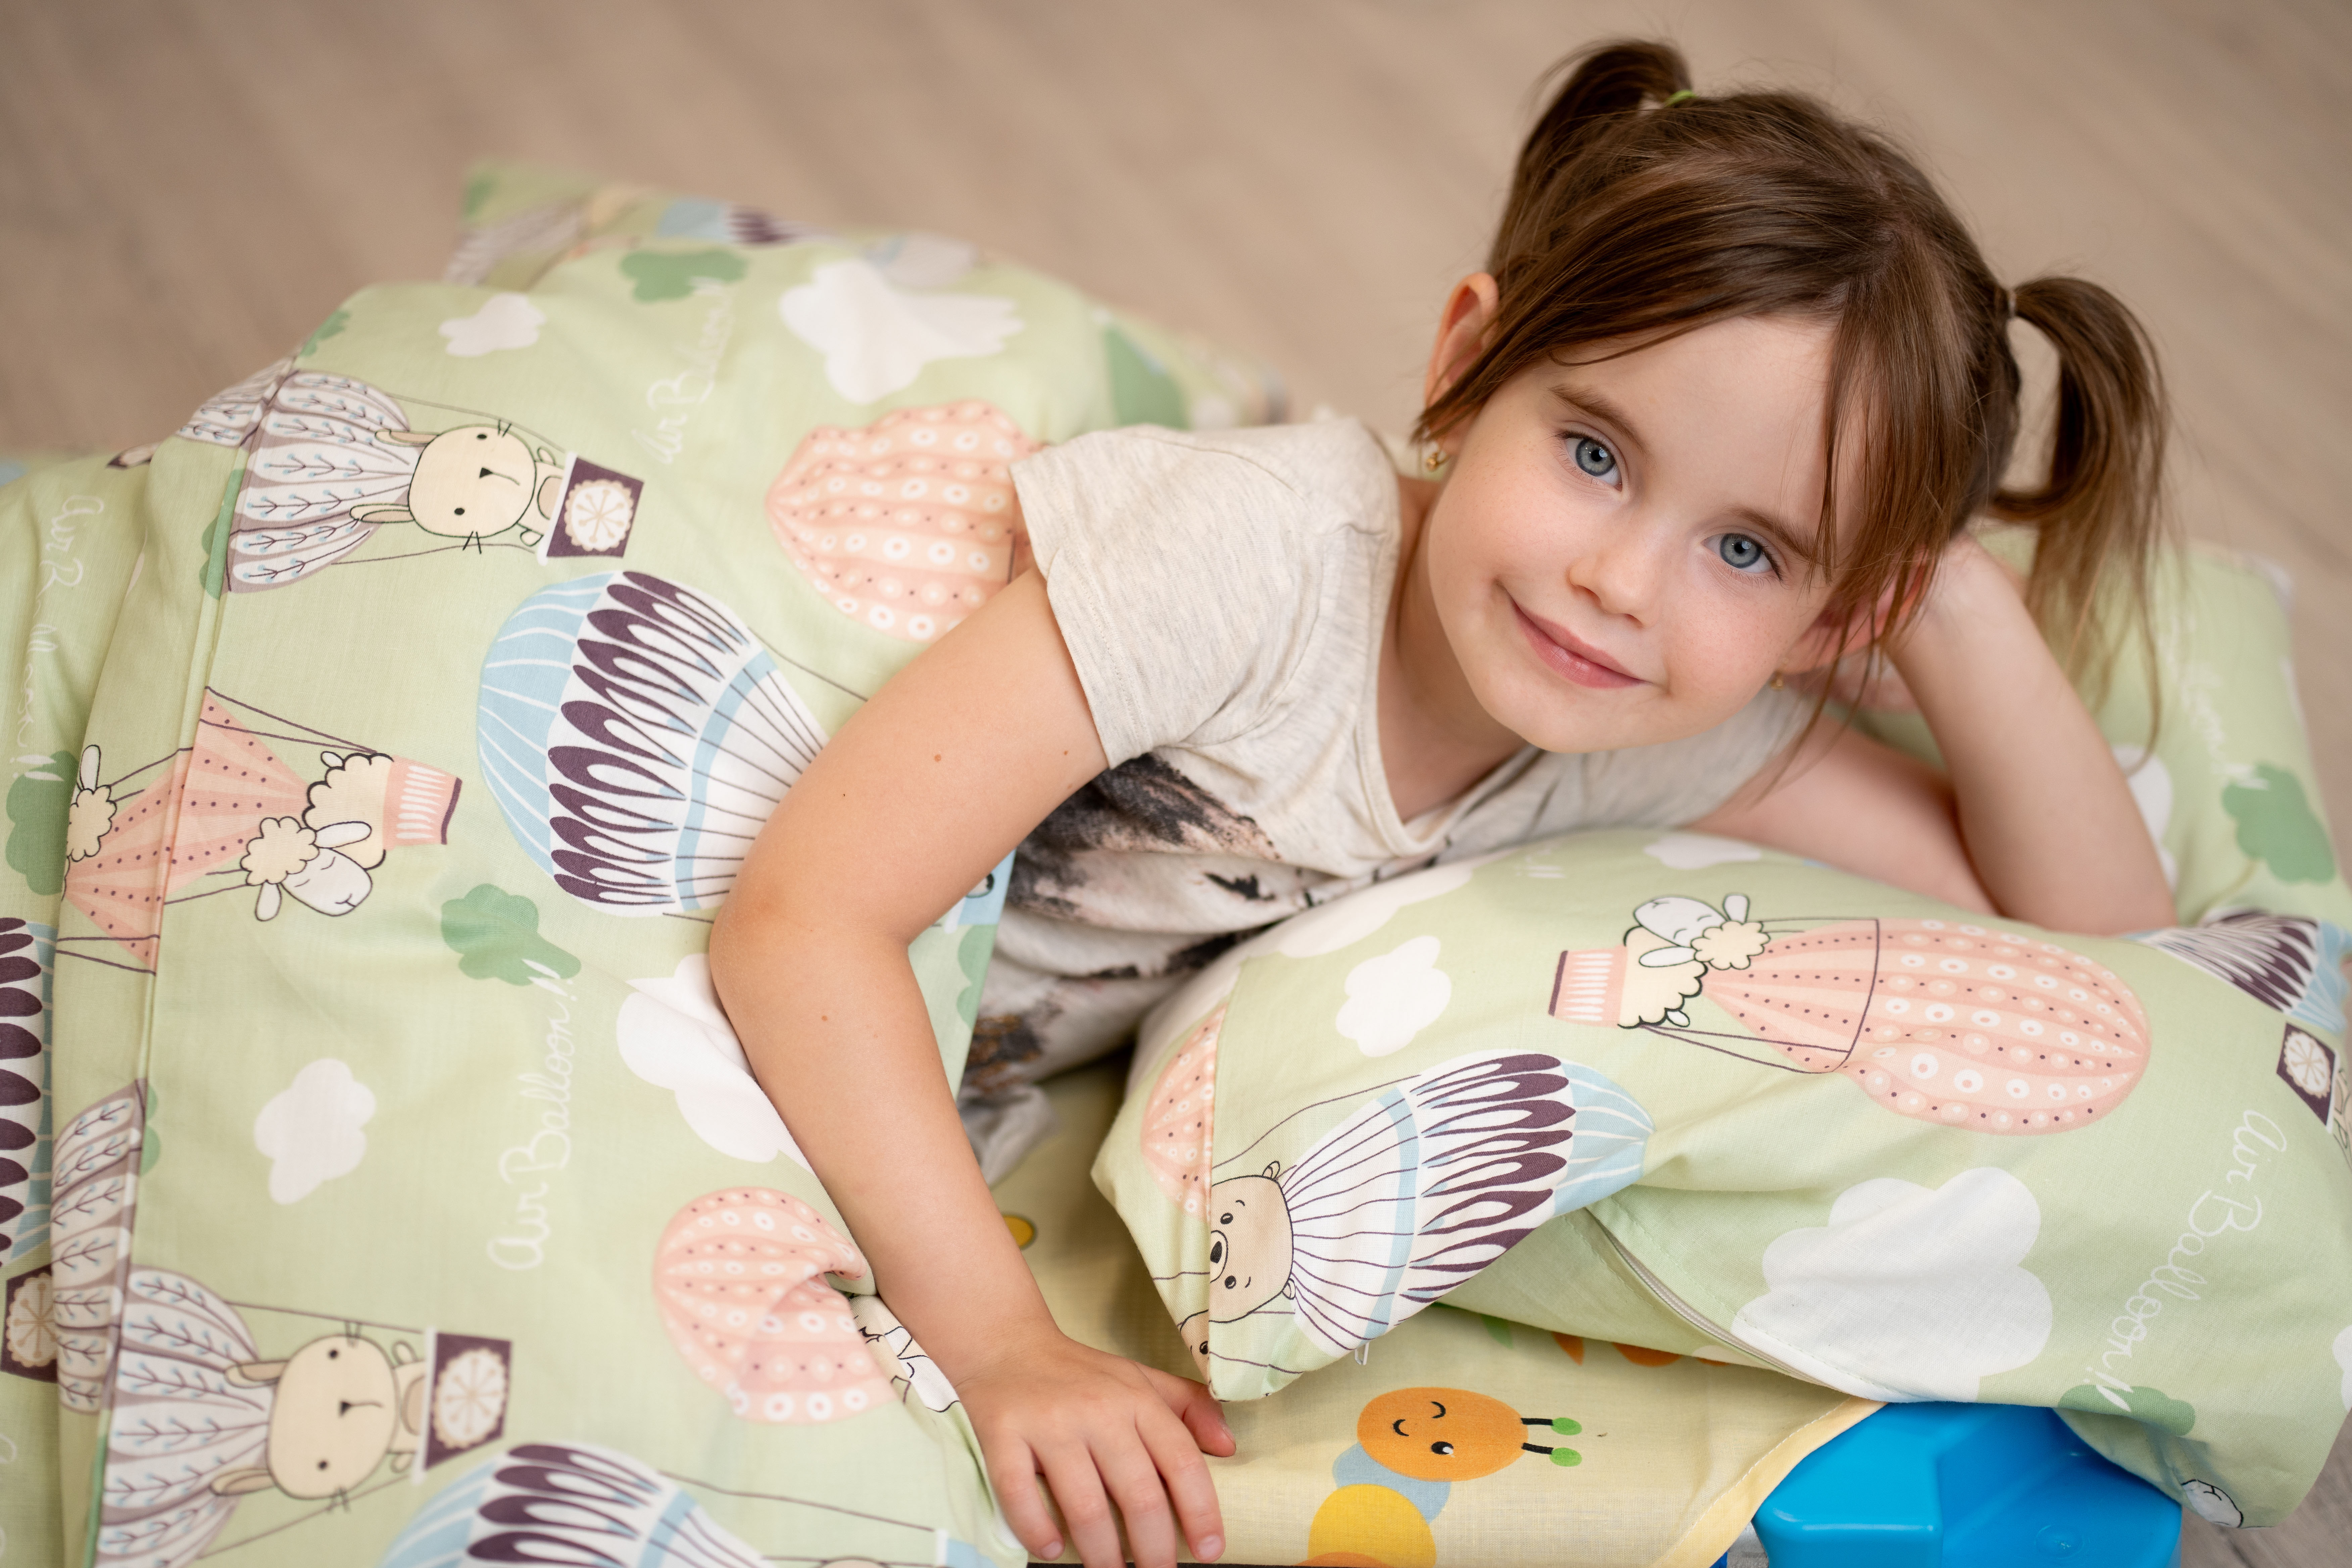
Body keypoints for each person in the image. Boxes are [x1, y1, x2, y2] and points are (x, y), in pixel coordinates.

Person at [709, 38, 2174, 1568]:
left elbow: (2107, 941)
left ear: (1840, 617)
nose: (1619, 583)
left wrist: (1951, 610)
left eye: (1748, 550)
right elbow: (806, 919)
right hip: (736, 979)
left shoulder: (1650, 725)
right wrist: (1005, 1345)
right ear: (1466, 365)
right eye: (1595, 453)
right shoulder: (1245, 562)